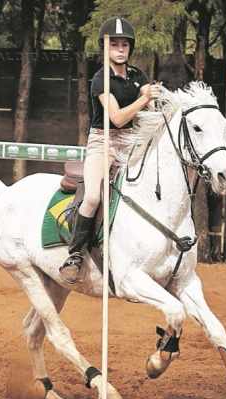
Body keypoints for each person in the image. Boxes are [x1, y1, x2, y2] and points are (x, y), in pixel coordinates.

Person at [59, 17, 161, 284]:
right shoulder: (99, 79)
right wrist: (144, 98)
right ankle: (75, 255)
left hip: (133, 140)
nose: (120, 49)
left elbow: (149, 105)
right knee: (93, 196)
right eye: (114, 44)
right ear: (105, 48)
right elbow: (116, 118)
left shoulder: (137, 75)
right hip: (103, 142)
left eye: (124, 44)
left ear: (130, 48)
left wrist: (155, 100)